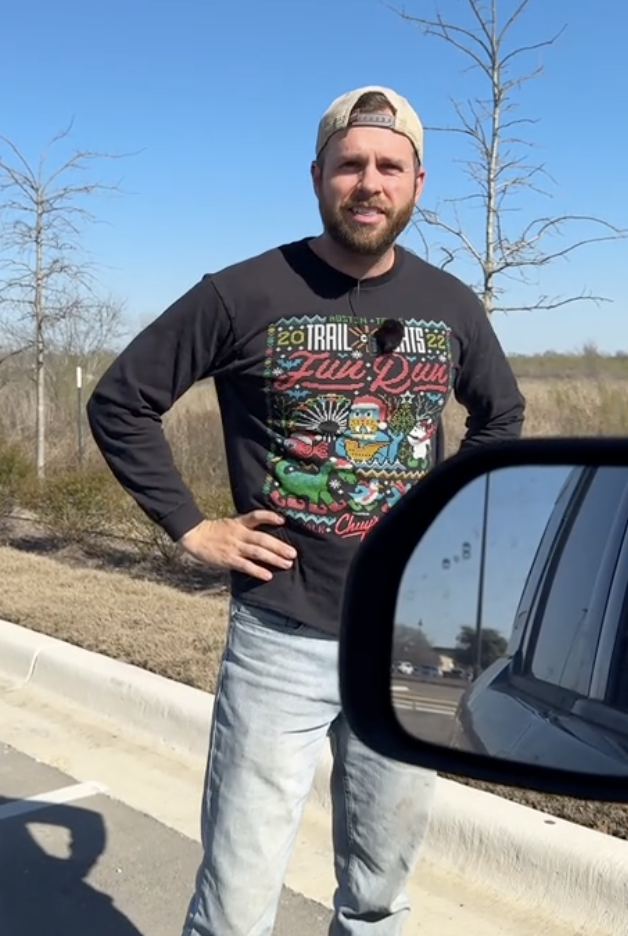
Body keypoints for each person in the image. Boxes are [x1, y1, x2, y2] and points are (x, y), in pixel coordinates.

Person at [87, 85, 525, 936]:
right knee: (236, 901)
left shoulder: (451, 306)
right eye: (350, 164)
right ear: (318, 176)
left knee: (378, 899)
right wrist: (191, 527)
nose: (369, 183)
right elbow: (121, 402)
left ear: (418, 183)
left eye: (389, 166)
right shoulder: (241, 293)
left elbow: (501, 415)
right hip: (280, 635)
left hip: (410, 643)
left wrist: (450, 514)